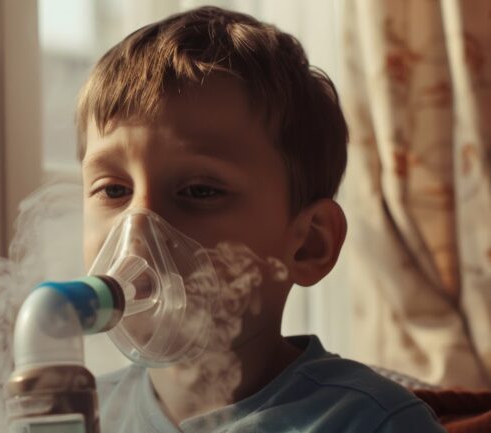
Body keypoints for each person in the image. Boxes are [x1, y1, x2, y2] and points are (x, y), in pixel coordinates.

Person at [76, 6, 445, 432]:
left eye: (199, 191)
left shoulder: (368, 423)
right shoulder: (83, 416)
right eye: (114, 190)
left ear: (309, 243)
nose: (137, 231)